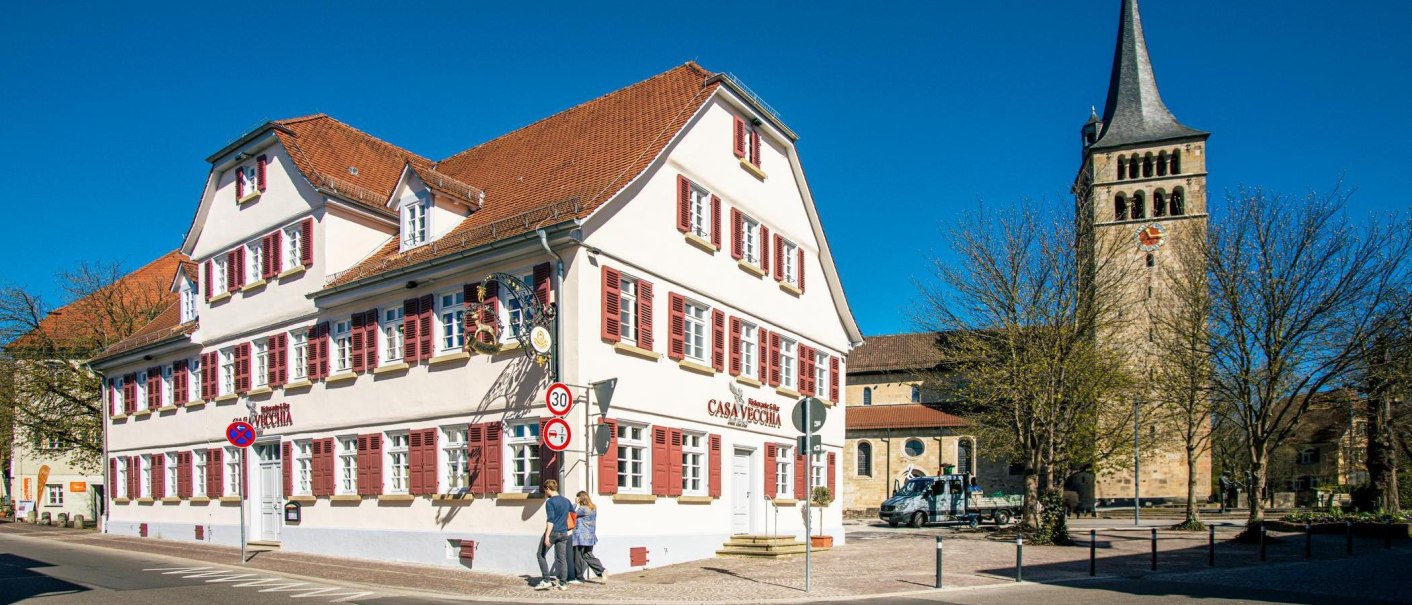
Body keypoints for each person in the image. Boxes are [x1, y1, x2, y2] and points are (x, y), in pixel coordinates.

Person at [533, 479, 574, 591]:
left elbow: (550, 520)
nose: (545, 493)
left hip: (553, 532)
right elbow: (572, 514)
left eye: (545, 490)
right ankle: (563, 583)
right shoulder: (566, 501)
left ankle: (546, 580)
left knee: (540, 555)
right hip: (564, 532)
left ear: (548, 489)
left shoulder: (550, 502)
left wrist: (547, 536)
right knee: (562, 559)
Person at [570, 491, 606, 583]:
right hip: (590, 537)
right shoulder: (593, 508)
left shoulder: (582, 509)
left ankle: (579, 578)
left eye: (578, 497)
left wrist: (575, 503)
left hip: (580, 537)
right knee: (587, 555)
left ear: (581, 498)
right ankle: (602, 570)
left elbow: (571, 514)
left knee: (577, 557)